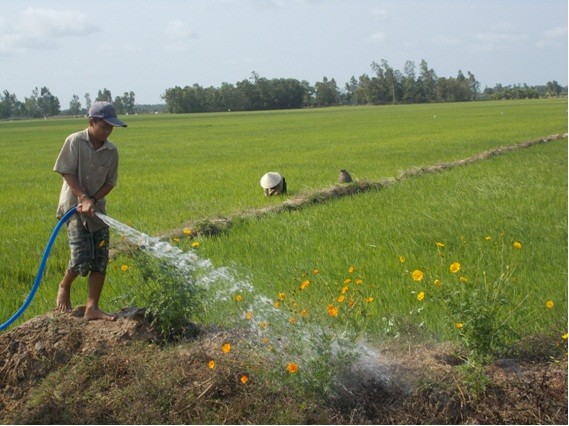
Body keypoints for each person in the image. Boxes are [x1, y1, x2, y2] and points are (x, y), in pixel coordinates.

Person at [53, 101, 127, 321]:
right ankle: (64, 286)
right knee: (81, 257)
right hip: (73, 208)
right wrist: (83, 198)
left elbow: (110, 182)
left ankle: (92, 307)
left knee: (100, 258)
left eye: (111, 127)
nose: (108, 131)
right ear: (91, 122)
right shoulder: (75, 141)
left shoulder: (111, 151)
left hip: (96, 209)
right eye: (104, 126)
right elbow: (66, 171)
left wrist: (93, 199)